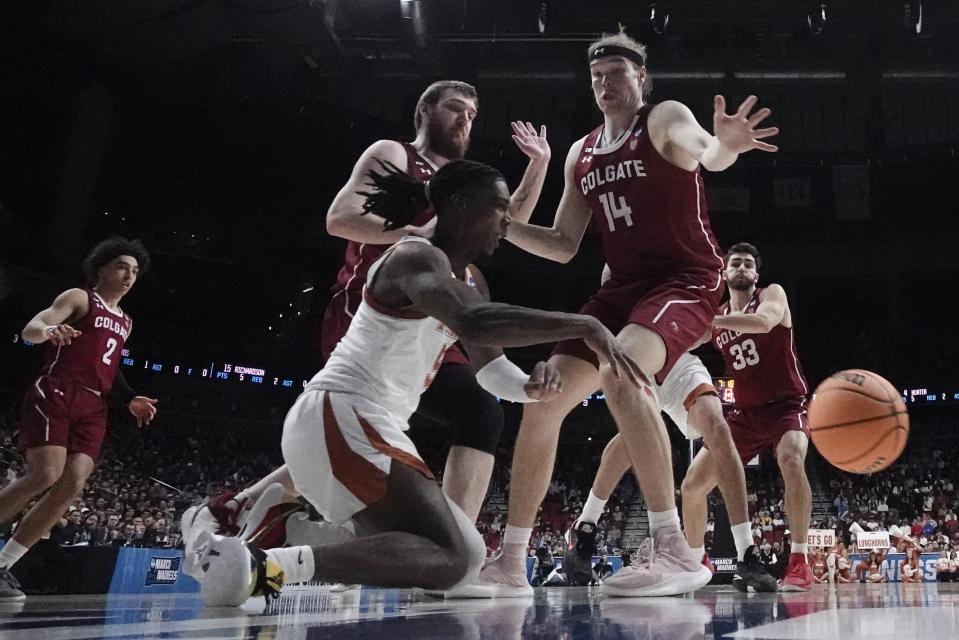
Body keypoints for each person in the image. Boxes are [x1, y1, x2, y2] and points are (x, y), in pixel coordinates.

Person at [198, 159, 643, 606]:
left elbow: (491, 371)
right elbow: (473, 321)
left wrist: (529, 385)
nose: (508, 219)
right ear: (458, 206)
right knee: (454, 557)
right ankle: (266, 567)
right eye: (499, 208)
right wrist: (582, 325)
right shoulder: (415, 255)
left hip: (366, 427)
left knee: (463, 557)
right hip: (343, 414)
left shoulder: (471, 279)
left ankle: (285, 527)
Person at [460, 30, 778, 598]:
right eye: (597, 76)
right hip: (623, 290)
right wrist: (503, 229)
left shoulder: (662, 120)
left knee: (622, 368)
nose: (606, 83)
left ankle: (674, 548)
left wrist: (726, 146)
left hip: (686, 279)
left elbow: (708, 151)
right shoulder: (581, 154)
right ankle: (511, 560)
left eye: (617, 73)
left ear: (641, 79)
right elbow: (561, 243)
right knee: (543, 396)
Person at [184, 80, 551, 545]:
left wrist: (538, 166)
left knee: (467, 410)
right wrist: (427, 230)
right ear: (424, 110)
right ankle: (446, 546)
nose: (465, 120)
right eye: (456, 108)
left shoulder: (462, 182)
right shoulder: (395, 154)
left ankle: (237, 508)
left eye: (473, 115)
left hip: (429, 314)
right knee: (451, 410)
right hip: (371, 307)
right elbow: (340, 219)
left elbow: (504, 222)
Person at [560, 261, 774, 593]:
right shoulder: (621, 260)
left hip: (677, 362)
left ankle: (746, 551)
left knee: (718, 428)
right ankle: (585, 525)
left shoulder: (683, 257)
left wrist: (696, 324)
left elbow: (702, 328)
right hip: (638, 358)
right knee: (632, 439)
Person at [0, 237, 157, 600]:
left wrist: (130, 398)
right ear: (101, 268)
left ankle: (5, 563)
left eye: (135, 271)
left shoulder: (126, 322)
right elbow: (33, 327)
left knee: (71, 485)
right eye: (121, 266)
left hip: (94, 404)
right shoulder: (80, 297)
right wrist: (49, 332)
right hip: (57, 389)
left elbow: (110, 368)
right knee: (45, 474)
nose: (129, 275)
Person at [696, 242, 815, 591]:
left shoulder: (770, 294)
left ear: (756, 274)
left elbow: (763, 324)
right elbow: (682, 340)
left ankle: (799, 561)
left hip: (786, 405)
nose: (743, 267)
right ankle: (693, 561)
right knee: (693, 484)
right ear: (725, 273)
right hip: (744, 413)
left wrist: (709, 319)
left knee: (791, 458)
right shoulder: (715, 317)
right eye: (736, 263)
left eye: (749, 263)